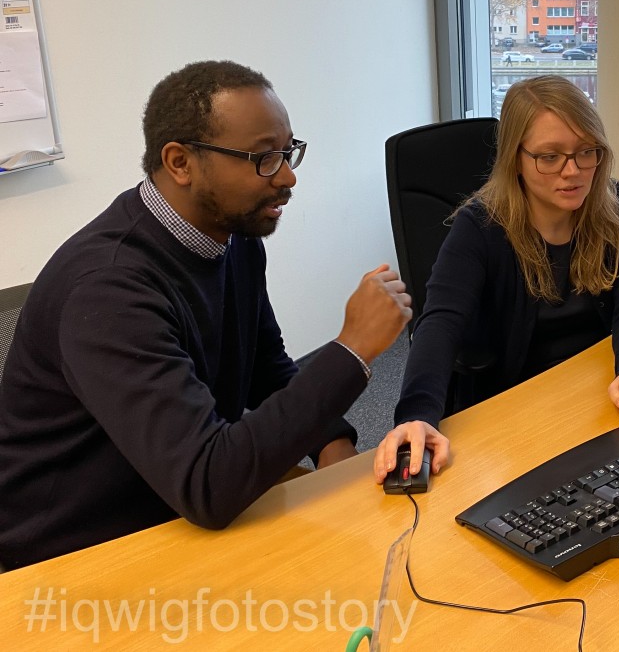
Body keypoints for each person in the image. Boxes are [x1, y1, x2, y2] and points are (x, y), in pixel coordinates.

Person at [0, 61, 411, 570]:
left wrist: (332, 445)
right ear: (179, 162)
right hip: (75, 558)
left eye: (287, 151)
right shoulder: (107, 290)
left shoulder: (231, 238)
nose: (287, 175)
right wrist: (350, 351)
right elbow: (208, 483)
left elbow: (265, 367)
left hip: (177, 510)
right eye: (263, 157)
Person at [374, 76, 619, 485]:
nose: (573, 171)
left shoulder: (618, 208)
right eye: (549, 157)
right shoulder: (481, 227)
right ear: (516, 158)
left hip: (597, 392)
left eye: (587, 152)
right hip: (516, 406)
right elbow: (440, 323)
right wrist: (417, 415)